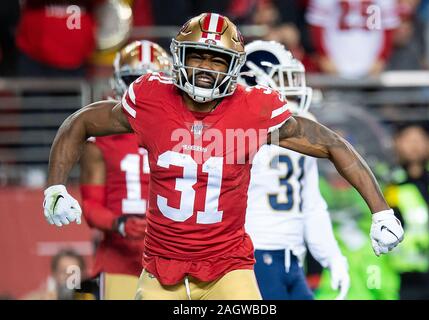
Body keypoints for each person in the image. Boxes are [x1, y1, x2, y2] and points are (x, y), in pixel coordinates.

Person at [42, 12, 403, 300]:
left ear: (233, 66)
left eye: (216, 59)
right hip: (160, 269)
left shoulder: (253, 108)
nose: (204, 68)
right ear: (178, 58)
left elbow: (331, 144)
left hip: (228, 269)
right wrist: (55, 187)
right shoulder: (152, 99)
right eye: (196, 55)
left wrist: (380, 210)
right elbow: (80, 122)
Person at [240, 40, 349, 300]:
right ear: (253, 85)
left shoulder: (303, 126)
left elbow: (311, 203)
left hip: (292, 258)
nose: (292, 94)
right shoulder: (237, 134)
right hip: (253, 256)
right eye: (282, 84)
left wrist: (331, 255)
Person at [79, 40, 172, 300]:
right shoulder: (101, 139)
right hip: (119, 257)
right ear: (120, 83)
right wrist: (119, 224)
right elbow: (90, 207)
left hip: (169, 256)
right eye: (134, 80)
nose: (142, 90)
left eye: (152, 81)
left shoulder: (182, 134)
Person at [384, 122, 429, 300]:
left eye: (419, 139)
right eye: (408, 139)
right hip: (405, 278)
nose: (413, 145)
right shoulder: (387, 183)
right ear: (396, 143)